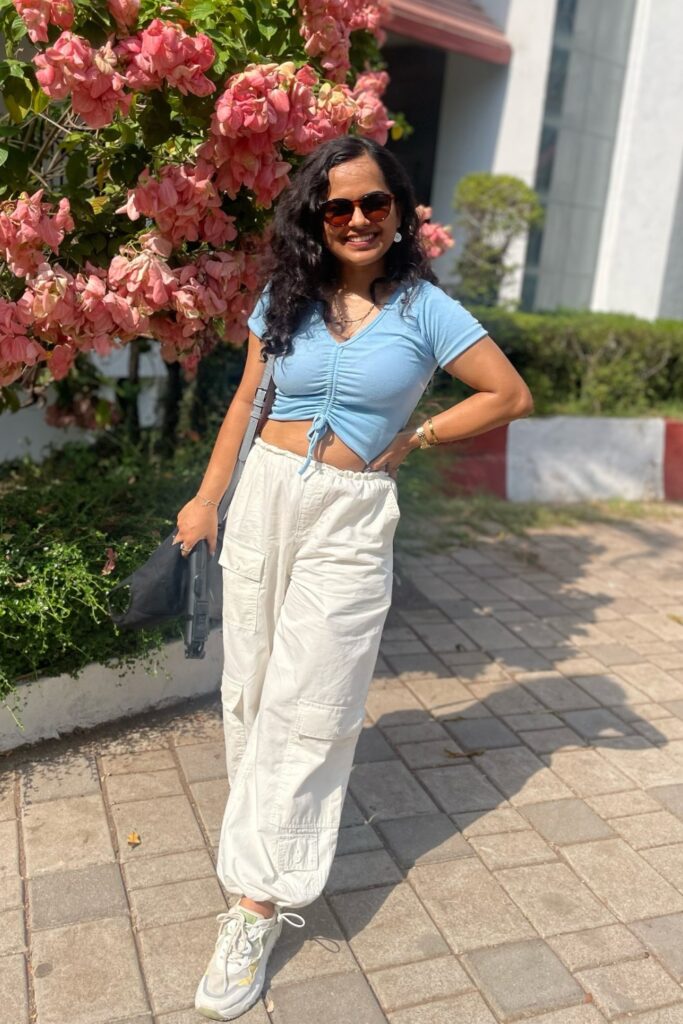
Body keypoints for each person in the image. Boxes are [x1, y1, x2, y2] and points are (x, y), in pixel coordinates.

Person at [174, 134, 533, 1021]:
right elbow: (245, 406)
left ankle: (255, 907)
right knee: (253, 691)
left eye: (376, 203)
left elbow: (506, 393)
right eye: (339, 207)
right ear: (316, 218)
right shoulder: (284, 300)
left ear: (400, 210)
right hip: (261, 496)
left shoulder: (425, 311)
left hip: (349, 514)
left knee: (314, 705)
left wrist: (417, 439)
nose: (360, 219)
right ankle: (256, 853)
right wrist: (206, 498)